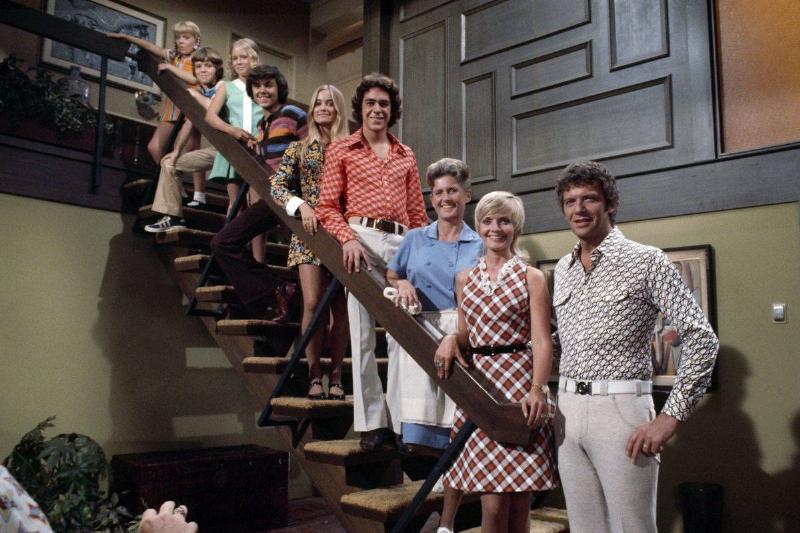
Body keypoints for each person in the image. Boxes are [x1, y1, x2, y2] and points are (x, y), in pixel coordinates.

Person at [551, 161, 719, 533]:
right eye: (570, 201)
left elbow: (702, 338)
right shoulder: (562, 269)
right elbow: (561, 344)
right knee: (584, 528)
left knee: (633, 528)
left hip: (621, 412)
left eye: (589, 199)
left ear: (609, 203)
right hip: (567, 413)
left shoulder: (646, 260)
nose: (578, 209)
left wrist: (670, 417)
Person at [316, 73, 428, 451]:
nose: (377, 109)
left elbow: (417, 214)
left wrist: (421, 253)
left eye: (384, 104)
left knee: (402, 336)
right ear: (360, 109)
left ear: (391, 110)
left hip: (400, 242)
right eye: (370, 103)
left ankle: (400, 423)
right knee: (362, 336)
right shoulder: (342, 150)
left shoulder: (405, 154)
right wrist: (346, 238)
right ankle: (371, 425)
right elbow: (327, 206)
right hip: (359, 239)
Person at [435, 191, 558, 533]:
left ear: (515, 227)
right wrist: (449, 338)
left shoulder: (531, 276)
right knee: (492, 505)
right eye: (488, 221)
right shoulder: (464, 279)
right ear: (479, 226)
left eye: (504, 221)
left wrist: (537, 390)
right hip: (481, 391)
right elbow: (465, 334)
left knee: (519, 504)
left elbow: (542, 339)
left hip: (520, 387)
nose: (495, 228)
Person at [385, 158, 480, 532]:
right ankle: (430, 510)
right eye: (438, 192)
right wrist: (403, 282)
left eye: (452, 190)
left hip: (462, 333)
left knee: (454, 430)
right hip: (419, 331)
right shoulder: (414, 238)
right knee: (420, 435)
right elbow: (393, 273)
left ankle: (445, 519)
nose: (445, 198)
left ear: (466, 195)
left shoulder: (481, 241)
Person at [270, 84, 350, 399]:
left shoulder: (352, 148)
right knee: (314, 303)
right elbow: (277, 186)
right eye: (318, 103)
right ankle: (314, 374)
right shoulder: (299, 148)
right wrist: (300, 205)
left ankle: (336, 375)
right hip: (310, 235)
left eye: (330, 103)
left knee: (341, 309)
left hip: (344, 236)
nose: (323, 108)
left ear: (338, 109)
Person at [209, 65, 307, 321]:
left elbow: (313, 154)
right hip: (273, 199)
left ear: (279, 88)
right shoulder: (262, 125)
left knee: (304, 257)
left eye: (269, 85)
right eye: (258, 86)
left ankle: (284, 297)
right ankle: (277, 289)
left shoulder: (294, 114)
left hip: (296, 196)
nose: (263, 90)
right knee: (223, 242)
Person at [145, 47, 225, 233]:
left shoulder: (223, 87)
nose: (203, 70)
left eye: (208, 66)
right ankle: (174, 217)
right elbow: (188, 124)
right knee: (168, 163)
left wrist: (194, 95)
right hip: (216, 151)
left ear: (217, 69)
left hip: (234, 151)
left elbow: (214, 110)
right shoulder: (200, 92)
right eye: (198, 67)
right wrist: (176, 152)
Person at [107, 22, 201, 164]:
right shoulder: (174, 55)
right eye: (178, 37)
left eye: (186, 37)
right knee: (154, 147)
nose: (181, 41)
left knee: (192, 149)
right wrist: (127, 37)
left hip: (191, 105)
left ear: (196, 40)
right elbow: (151, 47)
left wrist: (170, 67)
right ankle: (171, 180)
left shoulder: (199, 58)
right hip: (172, 106)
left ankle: (197, 187)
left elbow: (195, 79)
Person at [204, 38, 262, 214]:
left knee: (257, 206)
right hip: (235, 147)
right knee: (236, 205)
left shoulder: (263, 86)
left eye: (243, 57)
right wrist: (232, 130)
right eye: (235, 58)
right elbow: (210, 116)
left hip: (257, 147)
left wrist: (262, 137)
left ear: (253, 58)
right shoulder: (227, 87)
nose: (238, 62)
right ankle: (232, 241)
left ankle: (258, 243)